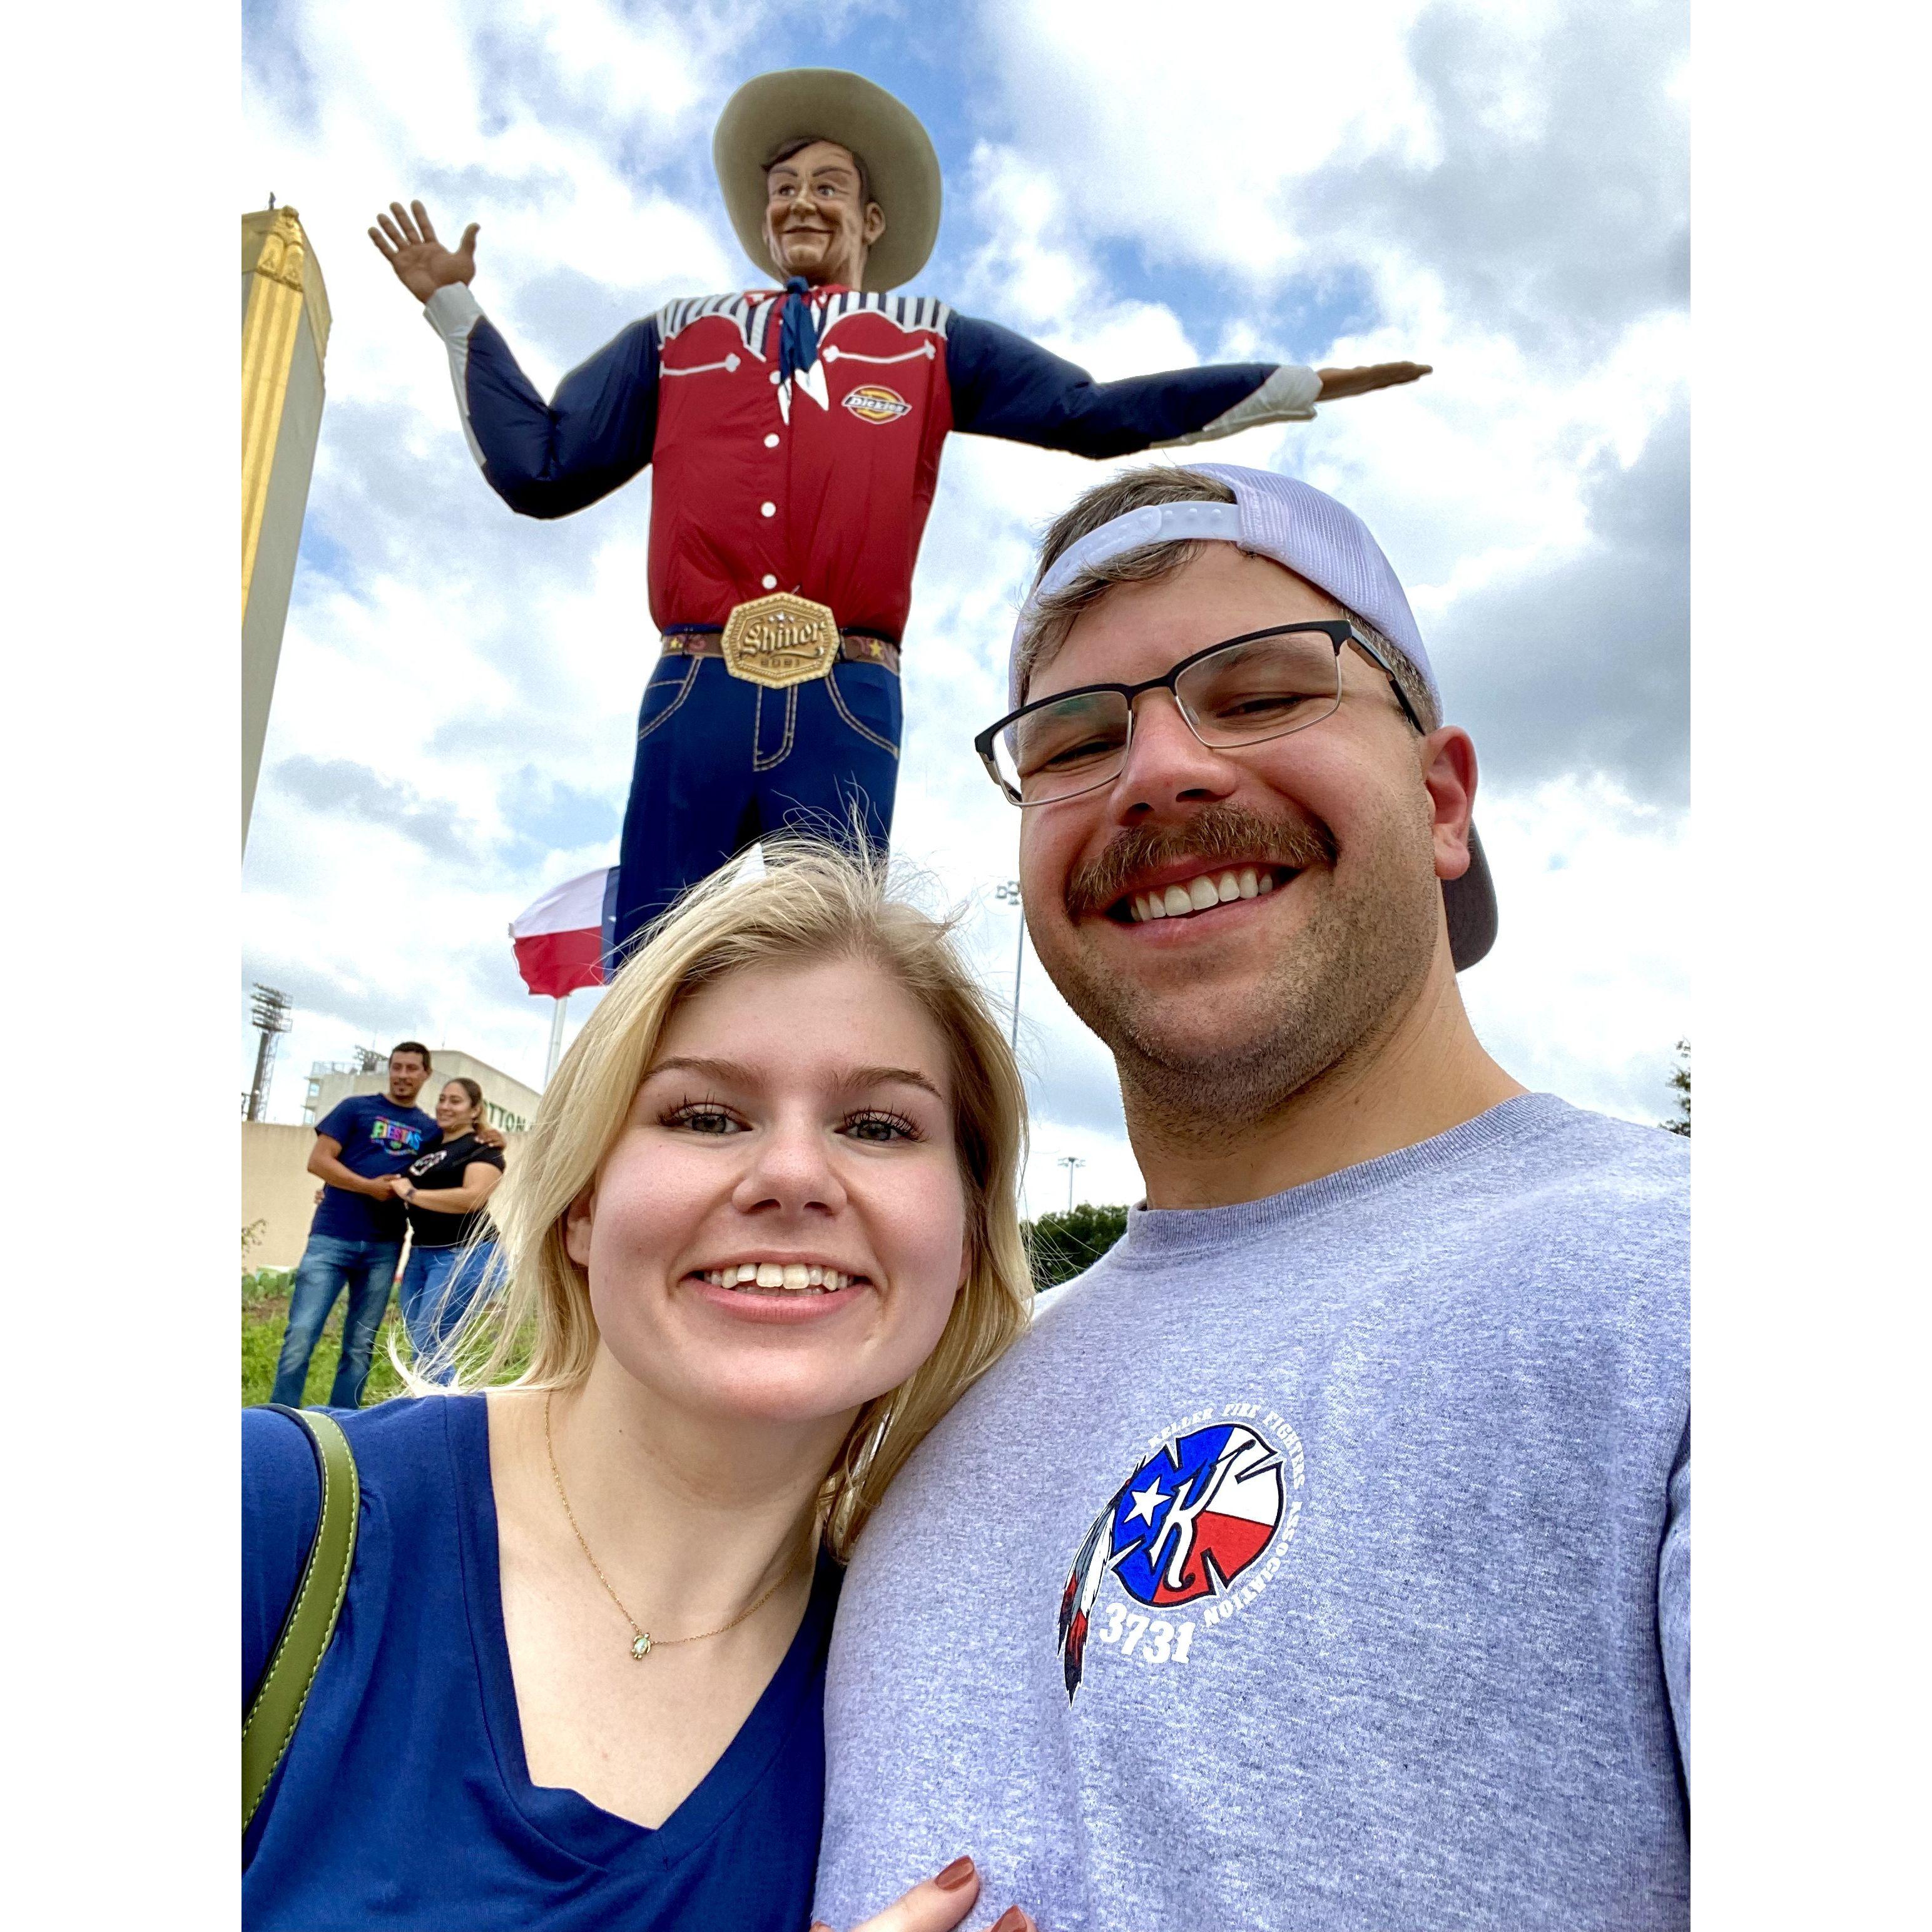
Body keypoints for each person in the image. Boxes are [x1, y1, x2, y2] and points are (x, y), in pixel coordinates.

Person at [813, 464, 1690, 1930]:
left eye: (1264, 693)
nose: (1160, 769)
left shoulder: (1697, 1282)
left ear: (1443, 799)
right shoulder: (920, 1412)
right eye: (1076, 739)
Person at [368, 66, 1431, 960]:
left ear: (869, 219)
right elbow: (539, 466)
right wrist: (453, 310)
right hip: (694, 680)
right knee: (651, 953)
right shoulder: (677, 336)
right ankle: (614, 1186)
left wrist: (1294, 385)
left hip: (847, 687)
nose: (798, 202)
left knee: (835, 950)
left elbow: (1087, 411)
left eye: (826, 185)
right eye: (781, 186)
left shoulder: (925, 341)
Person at [243, 848, 1044, 1932]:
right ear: (581, 1204)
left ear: (959, 1240)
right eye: (706, 1114)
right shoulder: (264, 1521)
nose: (794, 1176)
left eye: (879, 1125)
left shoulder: (923, 1701)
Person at [269, 1043, 438, 1410]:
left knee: (361, 1346)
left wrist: (491, 1134)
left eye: (412, 1068)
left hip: (385, 1245)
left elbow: (453, 1162)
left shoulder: (429, 1129)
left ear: (426, 1074)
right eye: (397, 1067)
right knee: (300, 1336)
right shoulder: (355, 1109)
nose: (403, 1075)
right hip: (332, 1237)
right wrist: (367, 1188)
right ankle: (281, 1419)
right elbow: (318, 1161)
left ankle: (343, 1425)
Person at [392, 1075, 507, 1381]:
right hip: (422, 1254)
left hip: (466, 1253)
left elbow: (473, 1198)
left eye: (455, 1101)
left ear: (475, 1110)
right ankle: (430, 1412)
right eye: (442, 1099)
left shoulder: (482, 1148)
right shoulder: (429, 1144)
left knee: (431, 1345)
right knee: (421, 1343)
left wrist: (412, 1194)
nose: (445, 1106)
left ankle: (440, 1421)